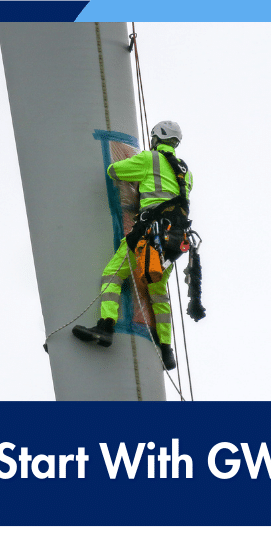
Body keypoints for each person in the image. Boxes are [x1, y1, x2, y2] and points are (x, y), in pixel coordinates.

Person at [72, 121, 193, 371]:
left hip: (148, 237)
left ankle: (105, 328)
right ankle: (167, 350)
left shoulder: (150, 159)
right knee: (158, 293)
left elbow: (115, 171)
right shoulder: (186, 172)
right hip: (174, 241)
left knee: (112, 276)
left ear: (157, 138)